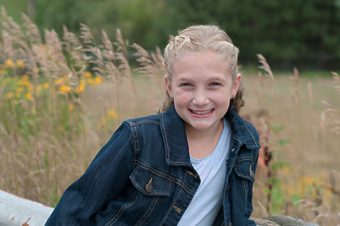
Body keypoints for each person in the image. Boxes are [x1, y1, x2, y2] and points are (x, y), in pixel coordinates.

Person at [45, 24, 260, 226]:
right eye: (187, 85)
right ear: (169, 86)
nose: (200, 99)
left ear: (234, 86)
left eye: (214, 84)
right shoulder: (139, 138)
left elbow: (237, 215)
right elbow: (77, 206)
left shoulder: (245, 141)